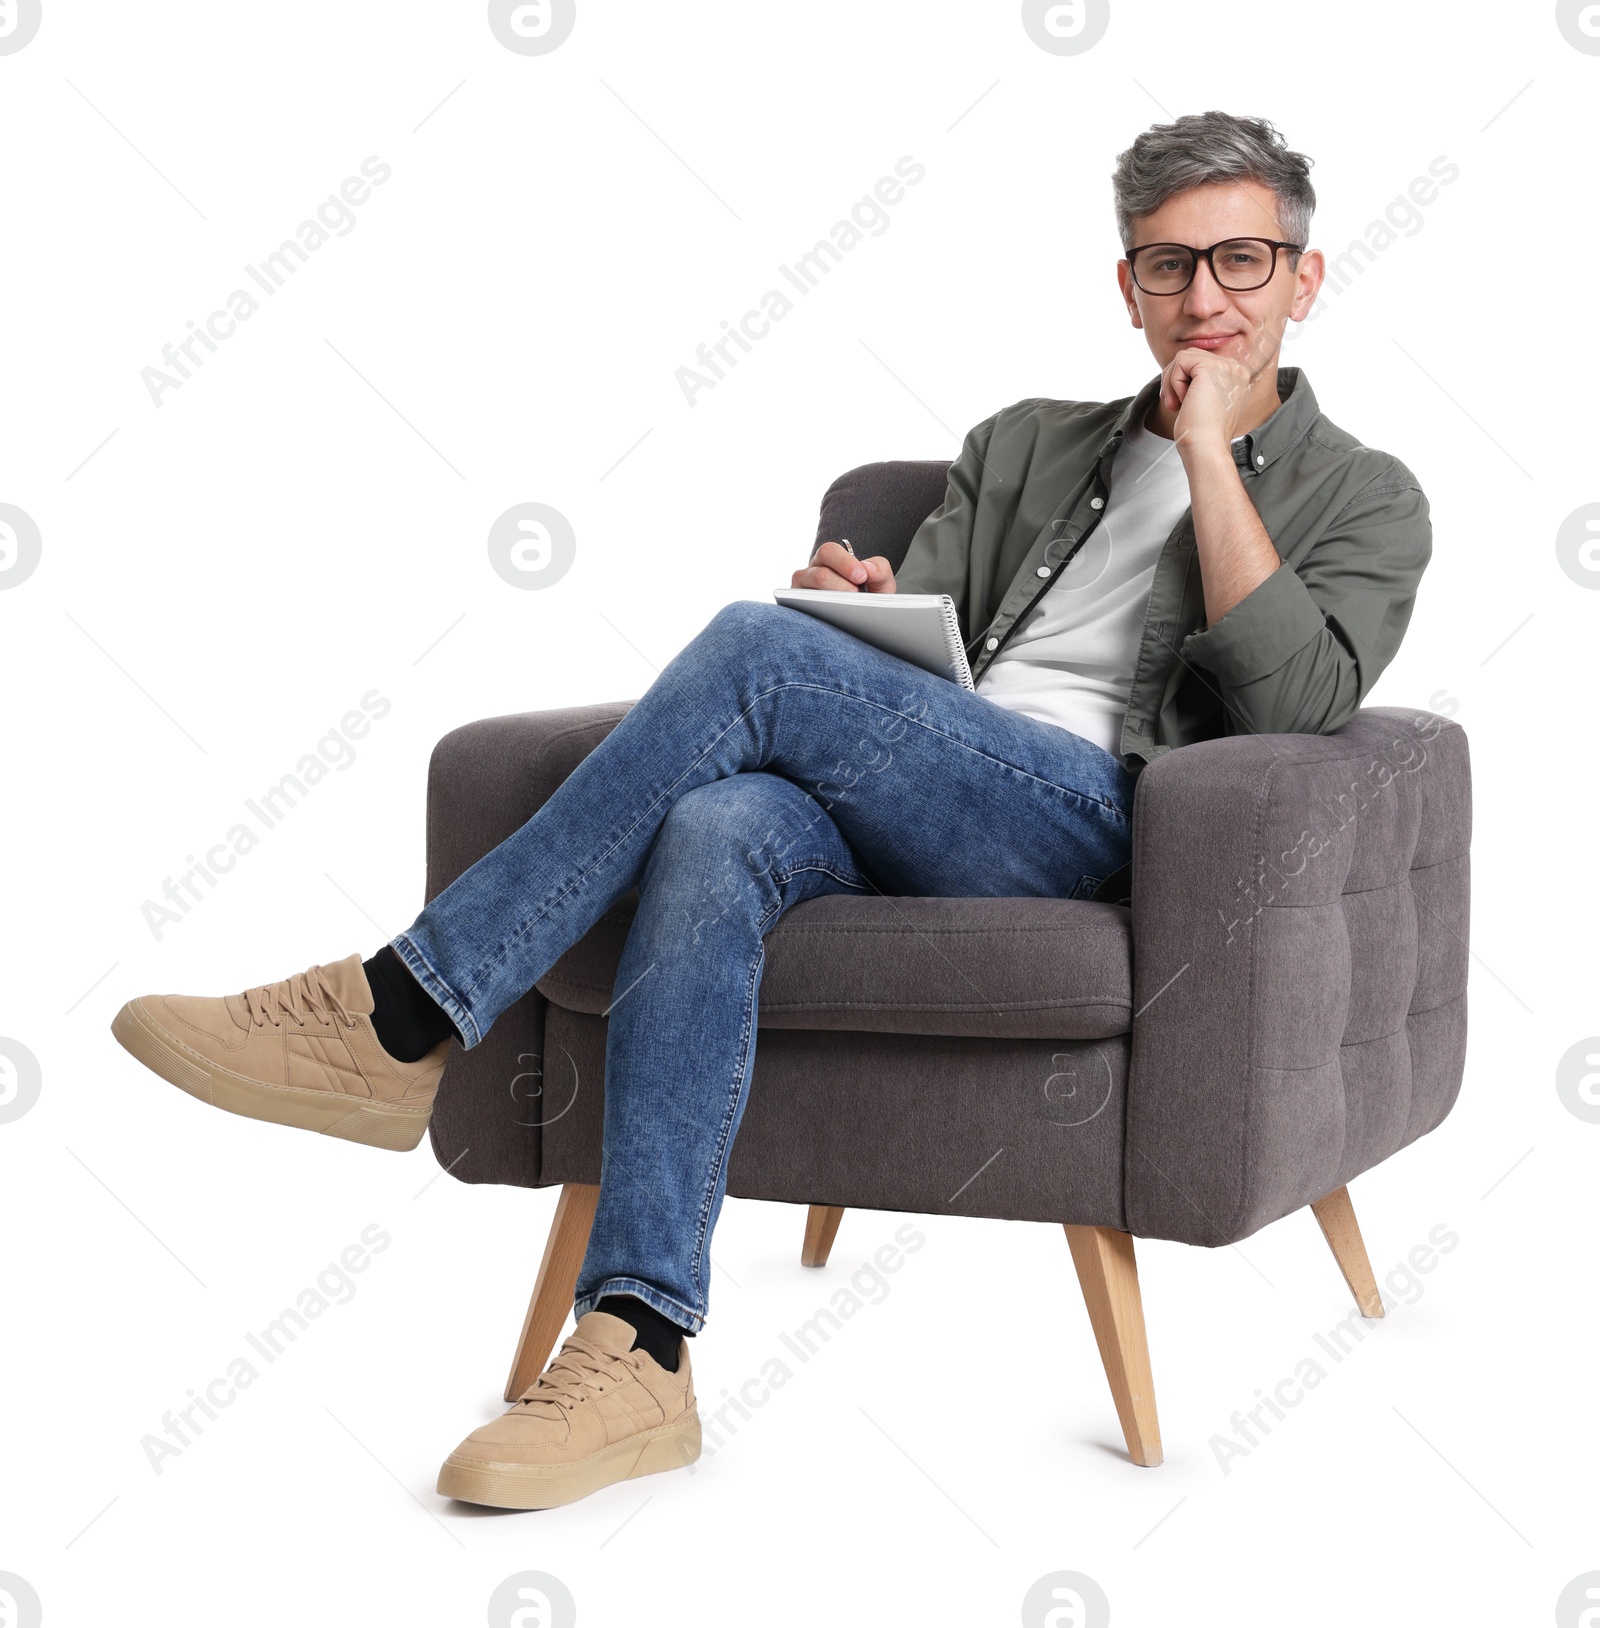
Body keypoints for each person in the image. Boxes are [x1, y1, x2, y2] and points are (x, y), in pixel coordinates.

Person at [110, 111, 1431, 1510]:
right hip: (926, 786)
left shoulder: (1370, 496)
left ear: (1305, 276)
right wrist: (864, 631)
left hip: (1105, 829)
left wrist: (1217, 455)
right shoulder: (1025, 445)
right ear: (1127, 287)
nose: (1204, 298)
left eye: (1239, 260)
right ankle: (639, 1350)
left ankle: (402, 1015)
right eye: (1169, 267)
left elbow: (1288, 706)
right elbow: (931, 660)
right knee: (718, 823)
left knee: (754, 653)